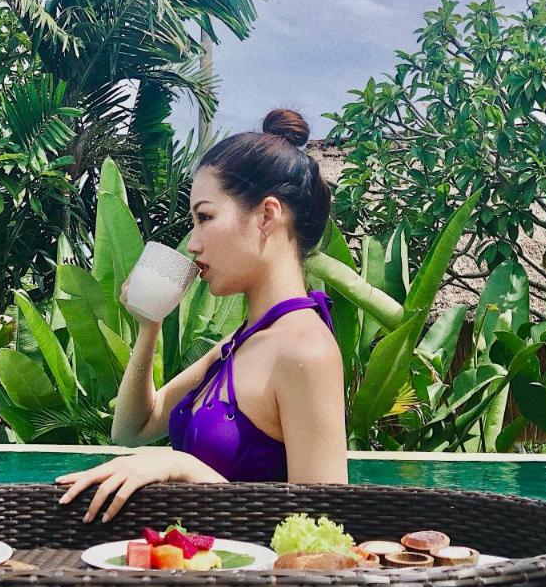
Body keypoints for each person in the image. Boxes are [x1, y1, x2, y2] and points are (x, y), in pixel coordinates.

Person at [56, 108, 347, 523]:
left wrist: (184, 468)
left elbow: (322, 527)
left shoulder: (305, 350)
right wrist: (149, 327)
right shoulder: (241, 343)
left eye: (205, 217)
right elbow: (132, 430)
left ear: (267, 216)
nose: (192, 243)